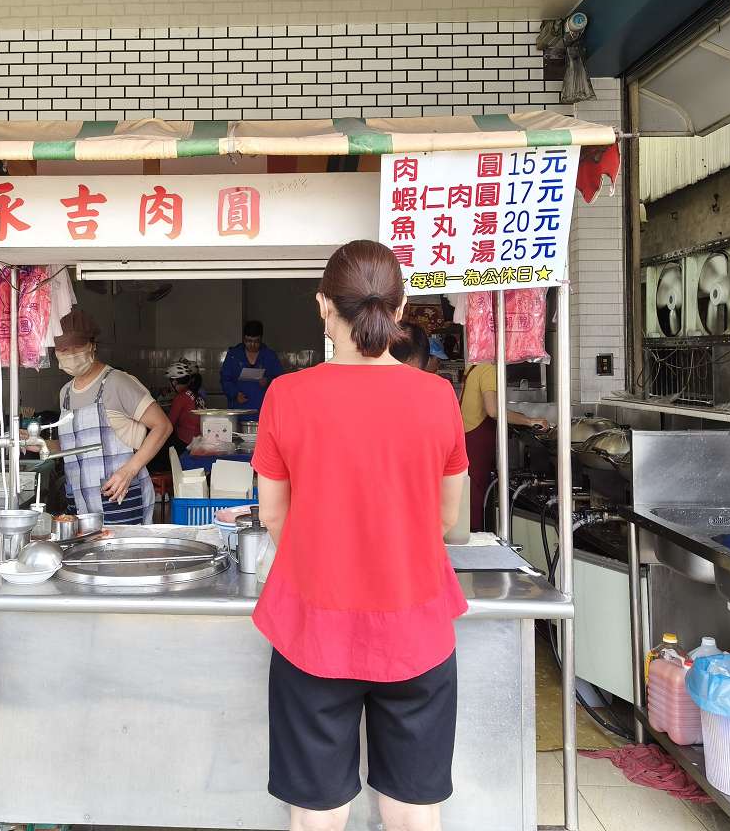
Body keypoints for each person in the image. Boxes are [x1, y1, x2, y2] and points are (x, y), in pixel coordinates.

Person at [253, 240, 469, 831]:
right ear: (399, 310)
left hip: (312, 630)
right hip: (417, 626)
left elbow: (274, 515)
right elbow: (446, 517)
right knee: (414, 806)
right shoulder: (437, 396)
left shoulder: (286, 396)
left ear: (325, 305)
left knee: (319, 811)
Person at [50, 307, 172, 525]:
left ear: (92, 346)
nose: (70, 354)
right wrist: (37, 444)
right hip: (80, 503)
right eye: (63, 348)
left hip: (119, 498)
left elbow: (162, 426)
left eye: (77, 346)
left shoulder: (116, 382)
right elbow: (76, 447)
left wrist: (129, 470)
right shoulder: (65, 393)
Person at [458, 358, 549, 532]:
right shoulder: (488, 369)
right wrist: (529, 421)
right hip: (476, 448)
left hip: (468, 443)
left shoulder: (473, 368)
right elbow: (493, 410)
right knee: (475, 501)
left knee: (470, 499)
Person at [221, 319, 283, 412]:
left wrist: (268, 381)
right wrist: (235, 394)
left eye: (256, 341)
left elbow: (280, 379)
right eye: (248, 341)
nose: (252, 345)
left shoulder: (269, 356)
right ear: (243, 339)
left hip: (263, 410)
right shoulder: (233, 355)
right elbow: (225, 379)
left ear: (261, 339)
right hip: (239, 409)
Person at [165, 359, 206, 449]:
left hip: (186, 441)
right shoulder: (196, 394)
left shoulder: (180, 398)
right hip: (199, 439)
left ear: (174, 382)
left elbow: (169, 424)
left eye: (169, 382)